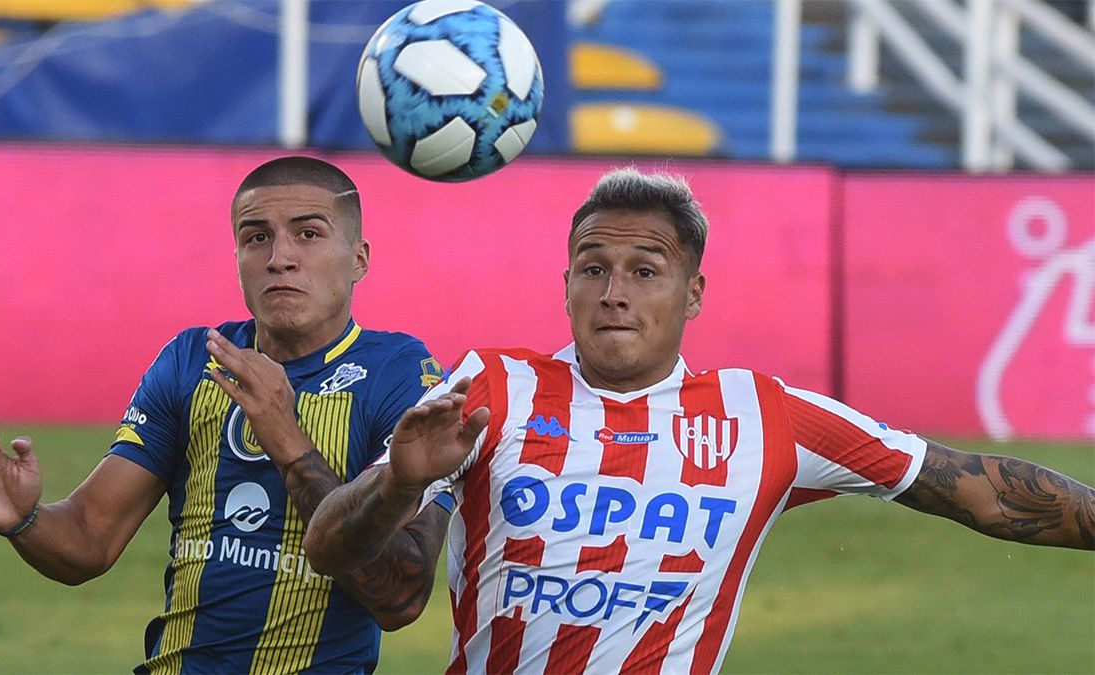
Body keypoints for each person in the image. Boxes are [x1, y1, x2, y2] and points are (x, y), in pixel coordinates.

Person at [300, 167, 1095, 673]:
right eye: (593, 268)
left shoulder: (764, 416)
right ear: (566, 283)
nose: (614, 292)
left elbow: (976, 488)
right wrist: (397, 484)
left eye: (645, 270)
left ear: (694, 293)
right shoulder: (492, 388)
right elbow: (331, 548)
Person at [0, 156, 451, 674]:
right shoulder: (193, 361)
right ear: (237, 258)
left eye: (308, 234)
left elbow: (400, 598)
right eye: (256, 238)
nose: (280, 258)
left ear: (358, 259)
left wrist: (286, 439)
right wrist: (26, 520)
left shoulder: (402, 377)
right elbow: (90, 537)